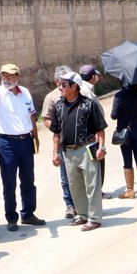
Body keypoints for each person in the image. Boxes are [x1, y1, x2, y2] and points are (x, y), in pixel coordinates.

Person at [0, 64, 44, 232]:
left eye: (10, 76)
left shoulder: (25, 92)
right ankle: (11, 218)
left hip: (26, 141)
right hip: (7, 143)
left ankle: (28, 213)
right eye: (4, 76)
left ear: (17, 77)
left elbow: (32, 116)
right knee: (9, 183)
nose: (6, 79)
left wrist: (35, 138)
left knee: (28, 180)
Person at [50, 72, 108, 231]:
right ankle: (82, 215)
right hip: (67, 152)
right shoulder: (59, 105)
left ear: (74, 86)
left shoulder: (89, 104)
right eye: (60, 84)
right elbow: (56, 132)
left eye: (63, 85)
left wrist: (101, 148)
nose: (60, 88)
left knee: (92, 185)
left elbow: (100, 129)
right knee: (75, 185)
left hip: (87, 148)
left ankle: (95, 218)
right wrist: (55, 153)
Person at [42, 65, 76, 219]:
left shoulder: (76, 91)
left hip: (80, 141)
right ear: (56, 80)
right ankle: (70, 204)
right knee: (65, 176)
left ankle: (83, 204)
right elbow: (47, 119)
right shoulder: (52, 97)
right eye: (62, 79)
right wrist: (57, 130)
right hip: (62, 142)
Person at [110, 82, 137, 199]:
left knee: (127, 159)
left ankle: (130, 191)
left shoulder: (120, 95)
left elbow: (114, 115)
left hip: (124, 132)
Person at [79, 64, 111, 200]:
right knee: (96, 162)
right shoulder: (86, 90)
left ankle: (96, 190)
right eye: (96, 75)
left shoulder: (85, 88)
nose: (97, 77)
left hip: (90, 132)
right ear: (92, 77)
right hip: (92, 133)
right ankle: (96, 191)